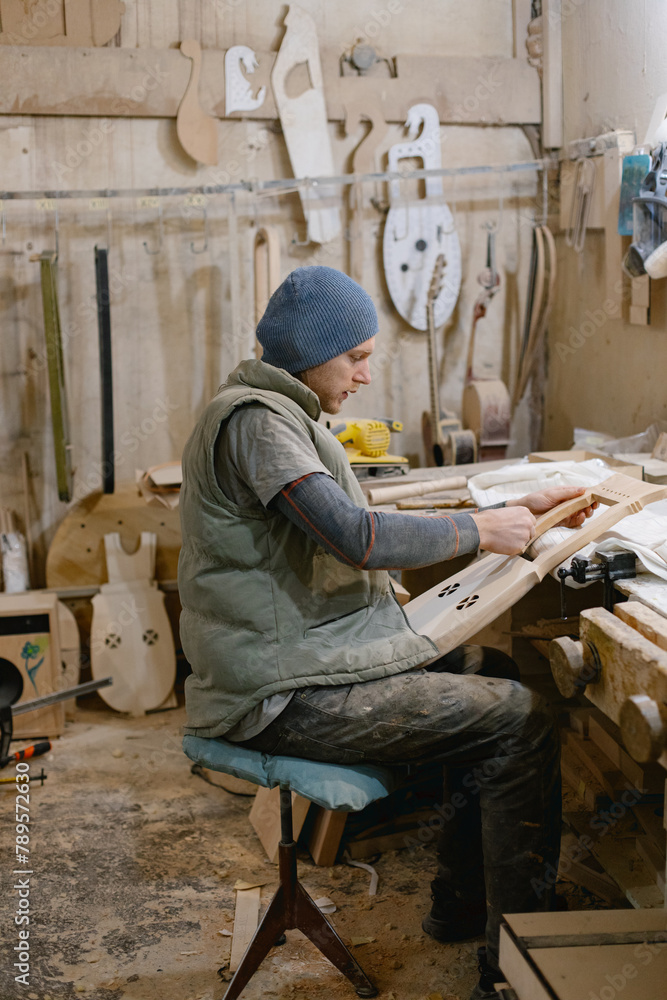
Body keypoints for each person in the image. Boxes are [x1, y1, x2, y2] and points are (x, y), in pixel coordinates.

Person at [178, 266, 596, 1000]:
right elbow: (354, 537)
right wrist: (479, 529)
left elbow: (355, 526)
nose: (366, 375)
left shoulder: (287, 415)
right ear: (309, 353)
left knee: (496, 671)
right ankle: (517, 967)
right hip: (279, 689)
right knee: (521, 721)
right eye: (357, 357)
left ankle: (461, 906)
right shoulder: (256, 422)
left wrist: (519, 508)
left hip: (304, 656)